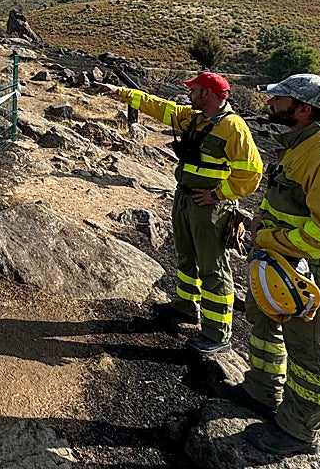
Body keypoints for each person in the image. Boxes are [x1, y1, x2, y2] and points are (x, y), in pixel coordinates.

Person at [241, 73, 320, 457]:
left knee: (310, 350)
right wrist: (262, 222)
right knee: (264, 322)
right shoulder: (302, 142)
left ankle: (299, 430)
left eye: (279, 100)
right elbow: (285, 198)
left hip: (308, 266)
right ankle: (261, 391)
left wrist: (267, 239)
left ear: (303, 109)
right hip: (281, 259)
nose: (270, 104)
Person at [93, 71, 263, 354]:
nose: (189, 94)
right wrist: (119, 91)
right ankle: (185, 307)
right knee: (186, 256)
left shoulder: (233, 127)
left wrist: (218, 195)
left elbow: (252, 173)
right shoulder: (193, 117)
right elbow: (158, 106)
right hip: (185, 199)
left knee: (213, 268)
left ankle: (217, 334)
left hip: (211, 208)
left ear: (207, 94)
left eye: (194, 90)